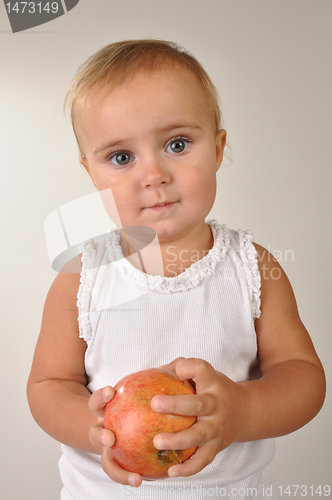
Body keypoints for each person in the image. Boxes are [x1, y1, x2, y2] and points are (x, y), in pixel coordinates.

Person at [27, 39, 326, 500]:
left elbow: (303, 377)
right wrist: (97, 427)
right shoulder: (82, 276)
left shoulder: (253, 267)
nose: (153, 175)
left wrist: (241, 410)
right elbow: (49, 384)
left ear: (219, 147)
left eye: (177, 144)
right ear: (91, 174)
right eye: (121, 157)